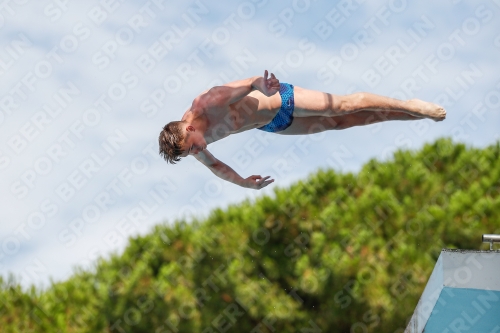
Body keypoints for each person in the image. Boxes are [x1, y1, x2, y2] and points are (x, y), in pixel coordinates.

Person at [158, 70, 446, 189]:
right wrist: (244, 182)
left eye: (193, 146)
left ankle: (409, 104)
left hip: (279, 98)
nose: (198, 151)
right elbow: (216, 167)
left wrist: (261, 85)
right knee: (341, 123)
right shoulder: (191, 144)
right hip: (273, 123)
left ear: (191, 127)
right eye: (190, 153)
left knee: (342, 107)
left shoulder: (208, 103)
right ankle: (413, 115)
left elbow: (247, 83)